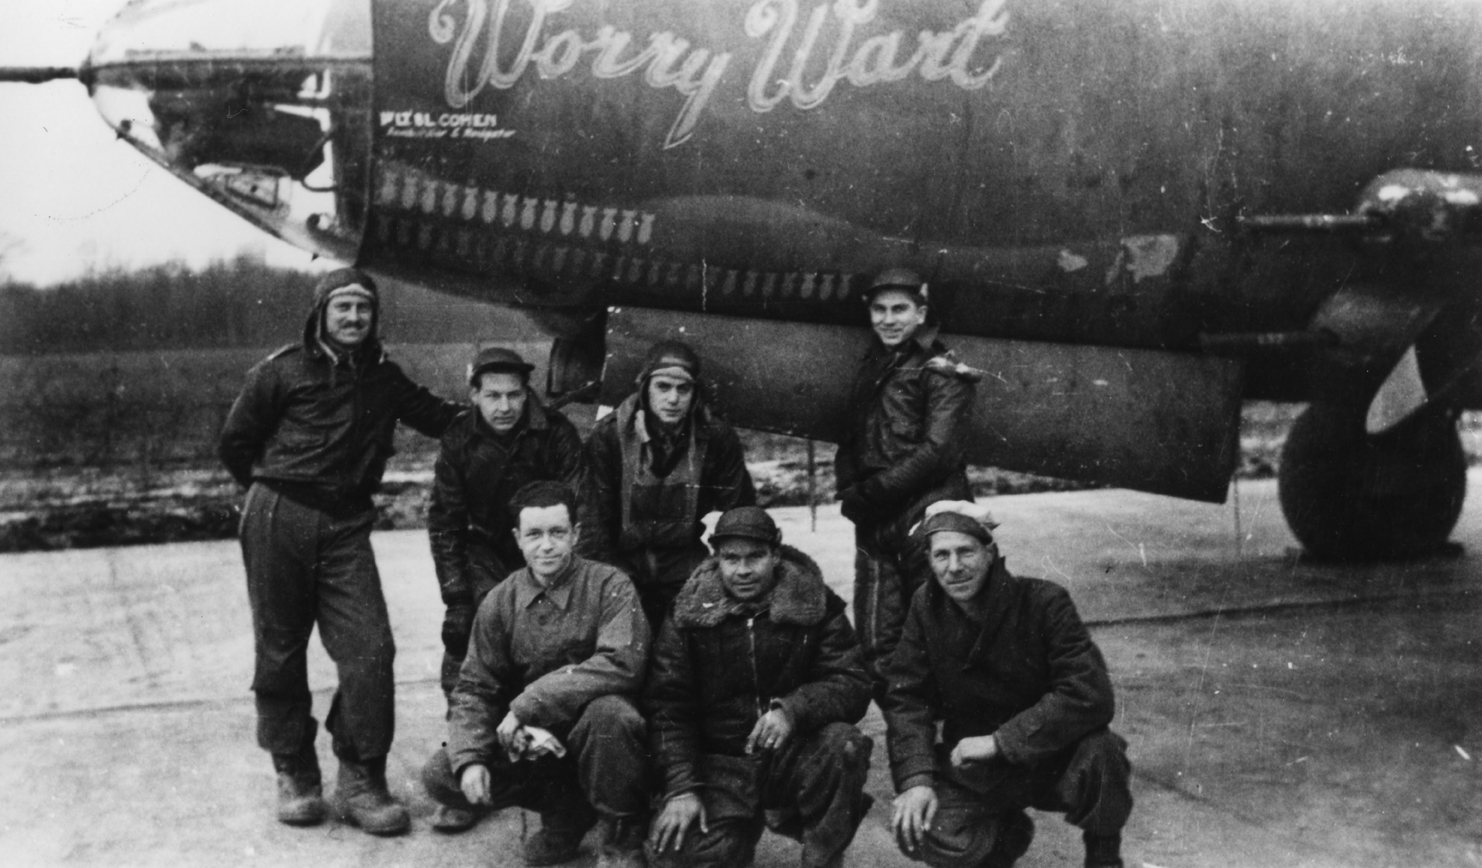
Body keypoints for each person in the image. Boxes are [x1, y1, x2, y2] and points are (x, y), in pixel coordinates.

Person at [218, 267, 461, 835]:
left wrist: (509, 410)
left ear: (374, 318)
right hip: (279, 513)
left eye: (364, 309)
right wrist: (272, 494)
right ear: (320, 314)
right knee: (279, 648)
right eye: (342, 308)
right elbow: (236, 443)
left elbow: (440, 417)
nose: (354, 318)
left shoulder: (384, 379)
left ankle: (360, 777)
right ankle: (295, 770)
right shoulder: (281, 372)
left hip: (347, 524)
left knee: (371, 650)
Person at [882, 506, 1133, 868]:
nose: (954, 567)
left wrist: (1001, 742)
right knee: (919, 826)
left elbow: (1088, 693)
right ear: (929, 561)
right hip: (975, 768)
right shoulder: (925, 607)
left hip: (1053, 757)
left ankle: (1104, 853)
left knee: (1103, 752)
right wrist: (916, 779)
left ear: (989, 552)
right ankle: (1003, 838)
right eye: (942, 555)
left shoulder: (1045, 601)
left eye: (965, 551)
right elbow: (907, 697)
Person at [421, 480, 651, 868]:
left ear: (575, 534)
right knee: (443, 772)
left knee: (612, 715)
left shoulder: (610, 585)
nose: (547, 545)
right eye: (535, 535)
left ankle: (622, 832)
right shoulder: (500, 600)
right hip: (535, 743)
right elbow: (476, 686)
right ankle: (568, 814)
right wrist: (471, 757)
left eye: (557, 533)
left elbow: (621, 662)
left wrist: (529, 704)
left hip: (595, 737)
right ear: (517, 539)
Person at [644, 506, 874, 868]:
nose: (743, 570)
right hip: (721, 766)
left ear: (776, 553)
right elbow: (668, 705)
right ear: (716, 558)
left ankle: (823, 854)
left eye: (755, 556)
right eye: (730, 558)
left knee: (843, 744)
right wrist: (682, 787)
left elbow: (852, 680)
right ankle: (737, 833)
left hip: (790, 757)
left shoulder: (814, 601)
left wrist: (793, 711)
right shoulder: (687, 612)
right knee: (676, 855)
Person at [834, 268, 977, 703]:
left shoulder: (943, 370)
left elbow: (939, 453)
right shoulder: (872, 365)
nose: (888, 319)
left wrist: (871, 495)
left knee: (944, 642)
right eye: (879, 309)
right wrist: (850, 490)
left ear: (921, 313)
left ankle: (949, 756)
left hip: (928, 518)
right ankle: (913, 755)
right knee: (878, 649)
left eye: (900, 309)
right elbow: (853, 438)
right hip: (877, 524)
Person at [580, 340, 756, 628]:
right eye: (663, 387)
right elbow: (592, 523)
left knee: (715, 623)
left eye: (683, 389)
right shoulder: (609, 436)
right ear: (645, 389)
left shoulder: (716, 438)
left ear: (694, 394)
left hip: (683, 559)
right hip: (622, 559)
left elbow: (741, 513)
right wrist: (607, 580)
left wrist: (733, 568)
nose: (673, 399)